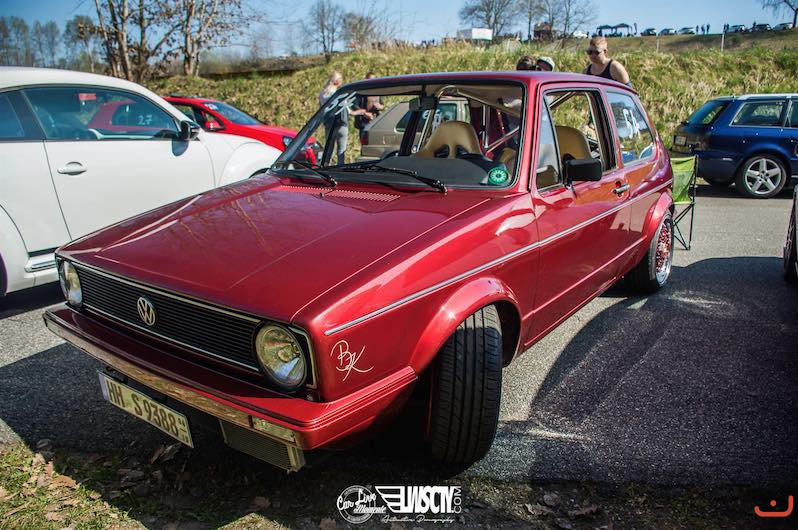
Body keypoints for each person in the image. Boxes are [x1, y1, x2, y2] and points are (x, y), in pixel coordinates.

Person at [352, 72, 384, 144]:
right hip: (364, 122)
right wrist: (365, 113)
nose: (371, 82)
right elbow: (354, 105)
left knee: (375, 143)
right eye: (369, 80)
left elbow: (382, 105)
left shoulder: (378, 91)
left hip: (376, 121)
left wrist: (379, 106)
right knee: (365, 143)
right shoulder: (361, 92)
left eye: (373, 80)